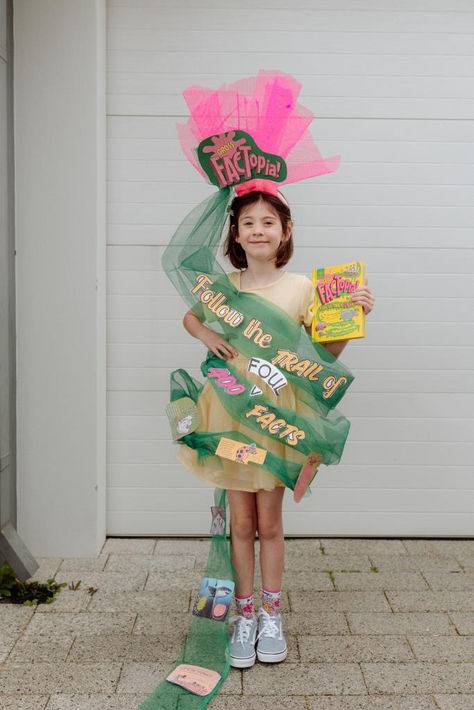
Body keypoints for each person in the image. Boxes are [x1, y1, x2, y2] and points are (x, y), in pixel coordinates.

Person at [180, 188, 375, 669]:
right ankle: (241, 614)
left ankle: (271, 613)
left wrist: (353, 318)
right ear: (237, 234)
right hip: (228, 409)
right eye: (248, 223)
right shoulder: (225, 287)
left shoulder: (303, 289)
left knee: (269, 523)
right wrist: (207, 335)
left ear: (285, 232)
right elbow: (192, 315)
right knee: (239, 523)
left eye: (269, 222)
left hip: (276, 418)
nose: (258, 230)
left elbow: (324, 358)